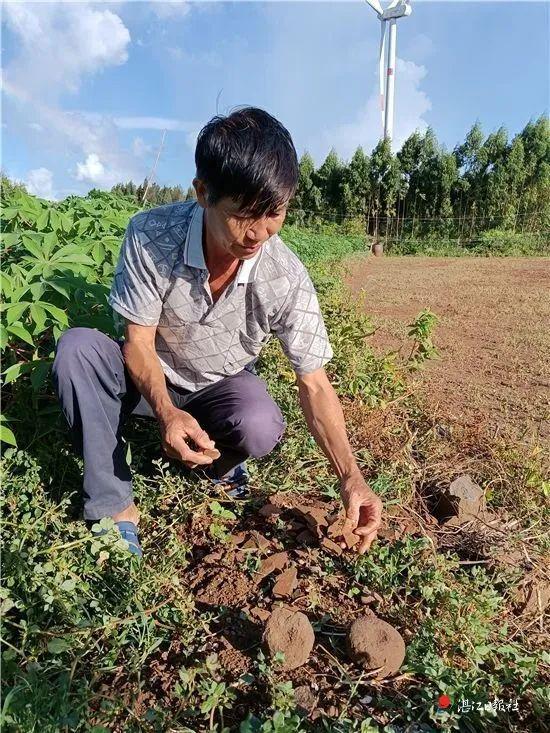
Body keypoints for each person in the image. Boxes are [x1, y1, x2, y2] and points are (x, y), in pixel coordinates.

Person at [52, 106, 382, 558]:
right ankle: (113, 507)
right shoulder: (152, 235)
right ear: (203, 192)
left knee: (260, 421)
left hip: (217, 386)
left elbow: (315, 383)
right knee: (77, 351)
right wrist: (167, 411)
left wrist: (351, 477)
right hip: (145, 379)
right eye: (246, 215)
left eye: (276, 214)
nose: (260, 233)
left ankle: (216, 467)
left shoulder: (283, 274)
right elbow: (139, 343)